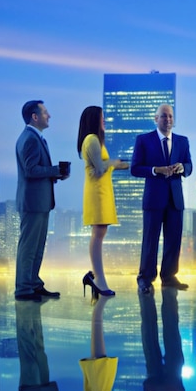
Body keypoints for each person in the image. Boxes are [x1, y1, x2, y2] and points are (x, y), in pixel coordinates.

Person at [131, 104, 193, 294]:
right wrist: (155, 170)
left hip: (175, 199)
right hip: (153, 198)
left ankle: (169, 277)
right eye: (164, 116)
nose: (168, 120)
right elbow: (135, 168)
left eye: (170, 117)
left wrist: (182, 168)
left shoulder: (182, 141)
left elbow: (189, 166)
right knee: (150, 239)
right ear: (155, 118)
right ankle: (145, 278)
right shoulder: (144, 140)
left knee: (173, 239)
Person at [15, 100, 69, 302]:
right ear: (34, 117)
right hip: (33, 203)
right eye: (46, 112)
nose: (49, 116)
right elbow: (30, 170)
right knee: (29, 247)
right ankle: (23, 289)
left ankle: (33, 284)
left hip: (40, 202)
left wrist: (55, 175)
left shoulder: (36, 138)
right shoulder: (29, 138)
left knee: (37, 247)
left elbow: (36, 169)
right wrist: (54, 170)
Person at [77, 106, 128, 299]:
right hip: (97, 193)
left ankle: (95, 277)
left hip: (103, 191)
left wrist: (125, 164)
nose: (104, 120)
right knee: (98, 234)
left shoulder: (97, 141)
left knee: (100, 233)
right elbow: (99, 169)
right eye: (102, 117)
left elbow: (104, 166)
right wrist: (112, 163)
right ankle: (98, 279)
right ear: (93, 119)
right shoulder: (91, 139)